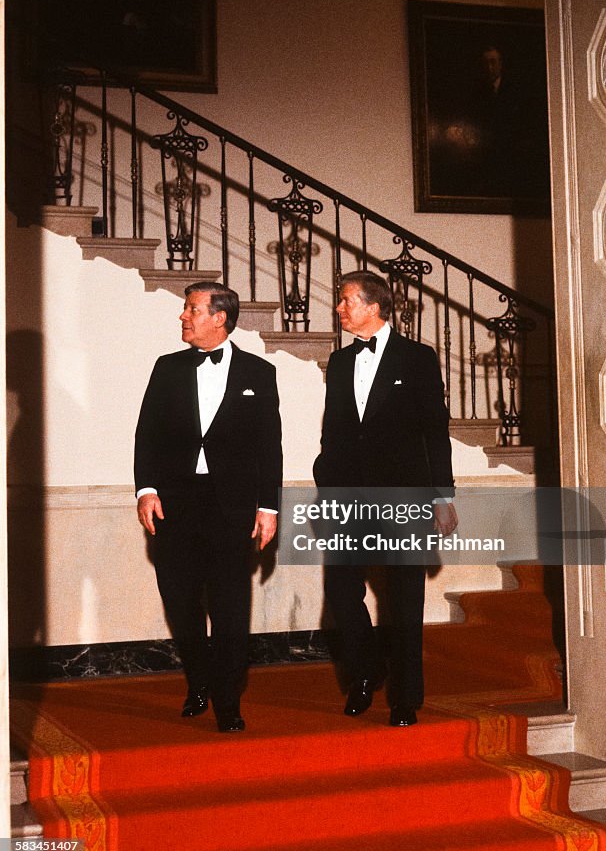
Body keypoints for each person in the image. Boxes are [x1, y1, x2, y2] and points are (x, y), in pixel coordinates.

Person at [135, 282, 282, 732]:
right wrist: (146, 490)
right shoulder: (167, 368)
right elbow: (147, 435)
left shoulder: (258, 373)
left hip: (230, 507)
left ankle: (227, 699)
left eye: (191, 309)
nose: (183, 316)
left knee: (231, 607)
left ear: (219, 318)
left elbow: (268, 446)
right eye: (186, 308)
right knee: (179, 601)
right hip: (175, 505)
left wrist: (269, 508)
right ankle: (198, 679)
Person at [313, 271, 457, 726]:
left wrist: (441, 496)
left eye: (346, 301)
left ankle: (405, 697)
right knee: (340, 589)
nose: (339, 309)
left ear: (373, 307)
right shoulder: (338, 363)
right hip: (347, 498)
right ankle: (366, 670)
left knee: (404, 597)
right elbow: (333, 432)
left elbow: (435, 431)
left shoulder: (417, 358)